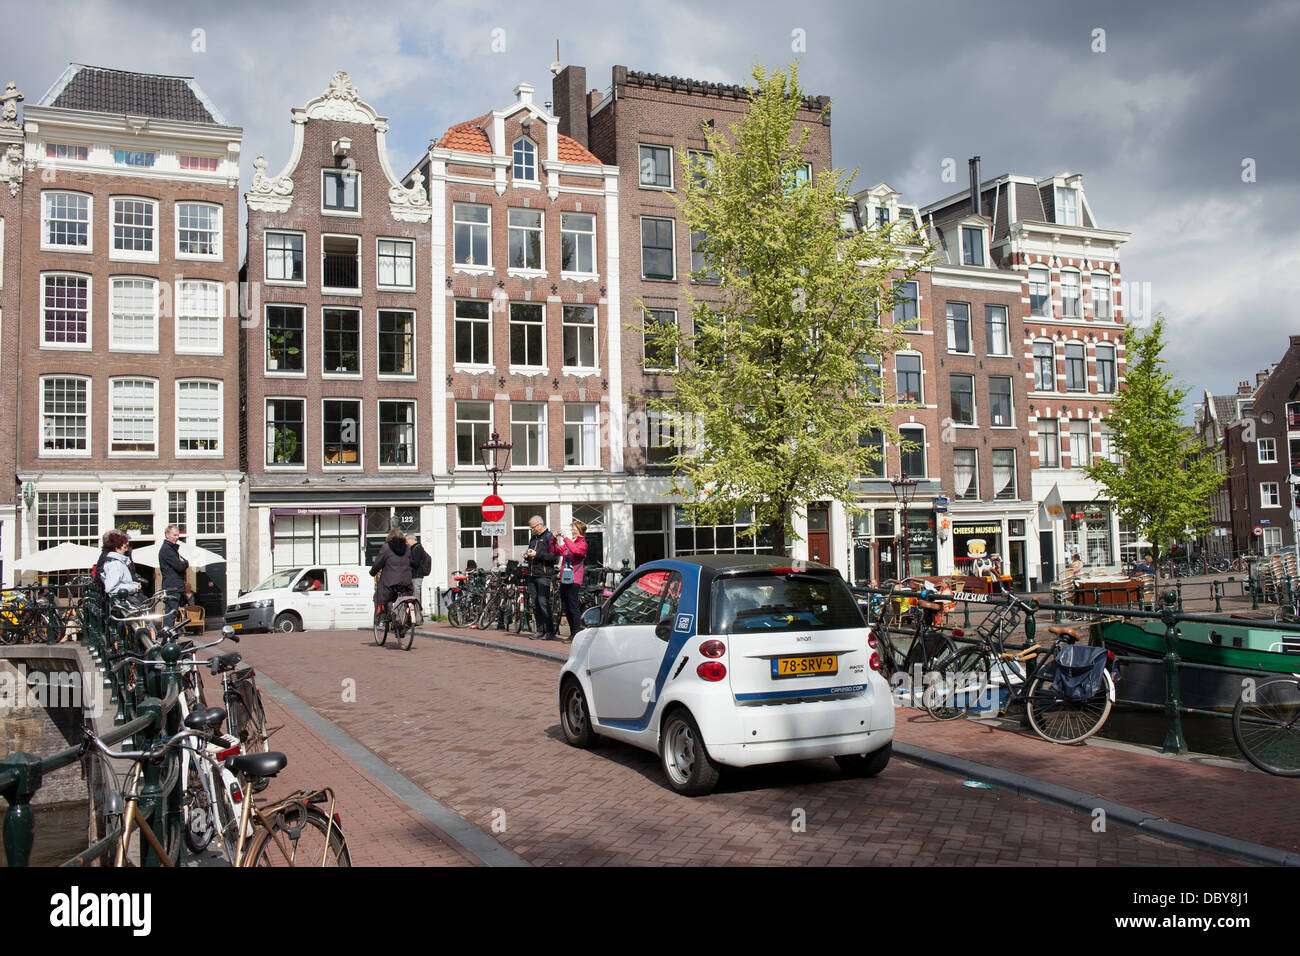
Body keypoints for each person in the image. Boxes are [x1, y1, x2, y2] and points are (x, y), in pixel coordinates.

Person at [551, 520, 588, 642]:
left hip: (574, 579)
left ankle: (576, 633)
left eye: (574, 529)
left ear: (579, 531)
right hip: (565, 579)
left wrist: (565, 538)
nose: (572, 531)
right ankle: (573, 632)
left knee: (573, 607)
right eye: (572, 529)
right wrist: (553, 539)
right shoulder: (569, 543)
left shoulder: (582, 544)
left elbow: (576, 551)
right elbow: (555, 551)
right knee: (566, 607)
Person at [523, 514, 558, 640]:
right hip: (532, 574)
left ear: (540, 525)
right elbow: (531, 552)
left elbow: (554, 558)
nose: (532, 530)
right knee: (535, 604)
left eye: (533, 527)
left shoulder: (550, 537)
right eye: (531, 528)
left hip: (544, 575)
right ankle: (539, 630)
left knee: (543, 603)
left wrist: (537, 554)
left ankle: (550, 630)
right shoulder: (533, 538)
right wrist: (527, 555)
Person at [370, 528, 413, 617]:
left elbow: (378, 563)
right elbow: (412, 562)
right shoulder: (408, 548)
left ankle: (386, 616)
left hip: (390, 582)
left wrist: (372, 572)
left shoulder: (386, 547)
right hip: (406, 581)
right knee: (405, 597)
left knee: (381, 596)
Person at [158, 524, 189, 629]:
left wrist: (184, 562)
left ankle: (170, 637)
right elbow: (180, 566)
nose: (177, 537)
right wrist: (183, 562)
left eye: (178, 535)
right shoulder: (167, 549)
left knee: (172, 613)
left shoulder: (171, 549)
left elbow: (185, 562)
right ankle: (169, 639)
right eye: (174, 535)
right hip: (173, 587)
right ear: (167, 535)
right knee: (171, 614)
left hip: (175, 586)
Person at [100, 530, 141, 597]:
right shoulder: (115, 564)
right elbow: (110, 588)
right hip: (123, 600)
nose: (126, 549)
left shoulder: (117, 562)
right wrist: (134, 588)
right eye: (124, 547)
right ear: (117, 548)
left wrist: (133, 585)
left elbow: (122, 581)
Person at [406, 534, 431, 609]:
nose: (406, 543)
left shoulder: (417, 548)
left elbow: (416, 563)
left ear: (412, 539)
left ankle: (417, 613)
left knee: (416, 595)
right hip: (415, 575)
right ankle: (415, 613)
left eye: (406, 541)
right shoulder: (414, 548)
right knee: (414, 594)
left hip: (416, 576)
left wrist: (407, 558)